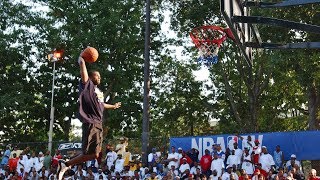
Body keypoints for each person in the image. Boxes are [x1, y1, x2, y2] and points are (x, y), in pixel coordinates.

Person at [57, 49, 122, 180]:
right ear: (91, 77)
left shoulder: (98, 92)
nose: (99, 78)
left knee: (95, 154)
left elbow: (101, 104)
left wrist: (113, 106)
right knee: (90, 153)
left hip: (98, 123)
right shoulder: (88, 86)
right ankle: (66, 164)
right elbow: (82, 66)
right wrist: (82, 56)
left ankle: (66, 164)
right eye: (97, 76)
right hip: (91, 122)